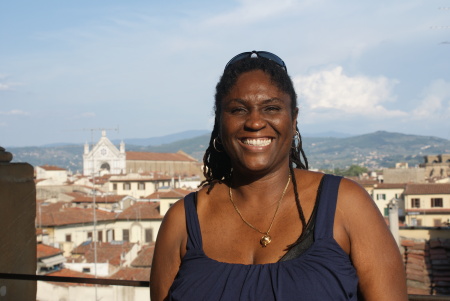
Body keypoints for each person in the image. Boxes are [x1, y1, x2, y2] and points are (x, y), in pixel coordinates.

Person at [150, 51, 407, 300]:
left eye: (271, 108)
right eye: (238, 110)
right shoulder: (182, 221)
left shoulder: (347, 204)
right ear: (219, 122)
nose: (255, 122)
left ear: (293, 120)